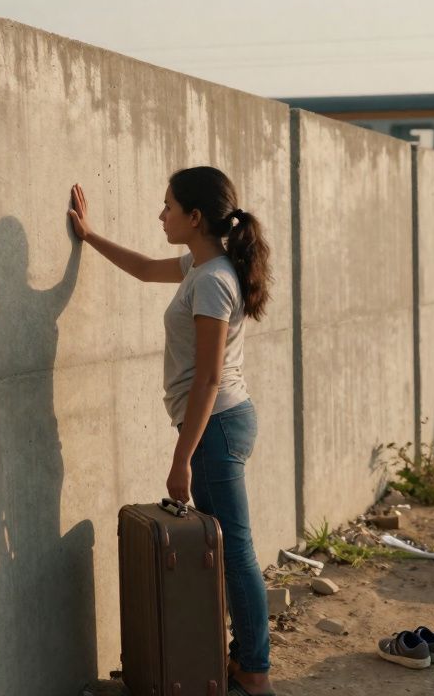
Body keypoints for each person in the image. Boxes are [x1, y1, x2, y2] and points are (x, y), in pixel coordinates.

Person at [68, 166, 277, 696]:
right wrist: (89, 237)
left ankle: (253, 671)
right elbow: (142, 269)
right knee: (233, 548)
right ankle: (245, 663)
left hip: (215, 427)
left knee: (236, 553)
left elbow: (207, 377)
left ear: (195, 216)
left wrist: (182, 457)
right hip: (223, 421)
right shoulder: (204, 265)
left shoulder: (211, 281)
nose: (160, 214)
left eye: (167, 206)